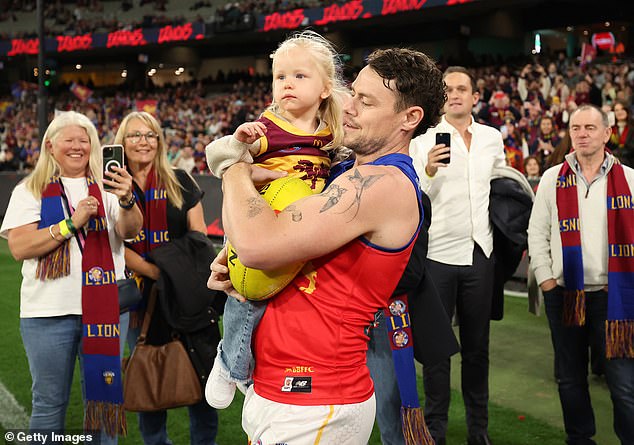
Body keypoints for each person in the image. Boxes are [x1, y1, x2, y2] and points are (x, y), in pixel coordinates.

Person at [207, 47, 445, 444]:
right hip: (284, 390)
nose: (348, 107)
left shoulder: (382, 185)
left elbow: (257, 244)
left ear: (410, 118)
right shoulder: (344, 172)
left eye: (366, 101)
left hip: (317, 398)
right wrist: (241, 274)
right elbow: (258, 246)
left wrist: (232, 165)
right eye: (353, 93)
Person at [204, 30, 345, 409]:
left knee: (284, 307)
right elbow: (217, 155)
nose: (287, 84)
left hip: (304, 232)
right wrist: (238, 142)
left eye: (300, 76)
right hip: (262, 226)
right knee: (246, 296)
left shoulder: (333, 135)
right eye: (280, 77)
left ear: (325, 88)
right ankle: (230, 363)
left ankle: (257, 368)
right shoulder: (266, 128)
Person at [0, 111, 142, 443]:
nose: (78, 146)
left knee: (104, 405)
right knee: (49, 405)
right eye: (70, 140)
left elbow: (130, 230)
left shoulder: (110, 186)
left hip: (105, 311)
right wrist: (71, 224)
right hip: (47, 314)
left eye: (84, 140)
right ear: (50, 145)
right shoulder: (30, 189)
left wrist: (127, 198)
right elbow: (20, 247)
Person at [410, 66, 506, 445]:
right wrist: (429, 170)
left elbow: (501, 190)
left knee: (477, 350)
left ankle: (477, 430)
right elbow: (413, 197)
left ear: (474, 96)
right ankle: (435, 429)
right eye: (447, 89)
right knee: (436, 353)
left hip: (480, 253)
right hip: (437, 255)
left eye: (462, 88)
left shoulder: (491, 138)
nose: (454, 94)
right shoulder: (422, 140)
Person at [527, 104, 634, 445]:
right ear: (570, 133)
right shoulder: (551, 177)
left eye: (590, 127)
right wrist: (546, 279)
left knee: (624, 385)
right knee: (570, 379)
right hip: (565, 295)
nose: (583, 133)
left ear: (607, 133)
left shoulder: (630, 179)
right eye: (576, 128)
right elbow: (537, 232)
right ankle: (579, 439)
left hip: (613, 297)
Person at [113, 111, 219, 445]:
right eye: (134, 135)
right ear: (122, 143)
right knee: (150, 386)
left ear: (158, 141)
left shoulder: (181, 180)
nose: (142, 142)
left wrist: (173, 274)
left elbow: (199, 239)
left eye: (149, 135)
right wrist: (158, 272)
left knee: (204, 390)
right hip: (144, 300)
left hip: (187, 297)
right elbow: (116, 243)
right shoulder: (114, 187)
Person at [607, 99, 633, 167]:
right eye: (616, 110)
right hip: (613, 162)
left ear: (627, 111)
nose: (619, 112)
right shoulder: (610, 129)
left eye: (622, 109)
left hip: (630, 162)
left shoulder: (632, 127)